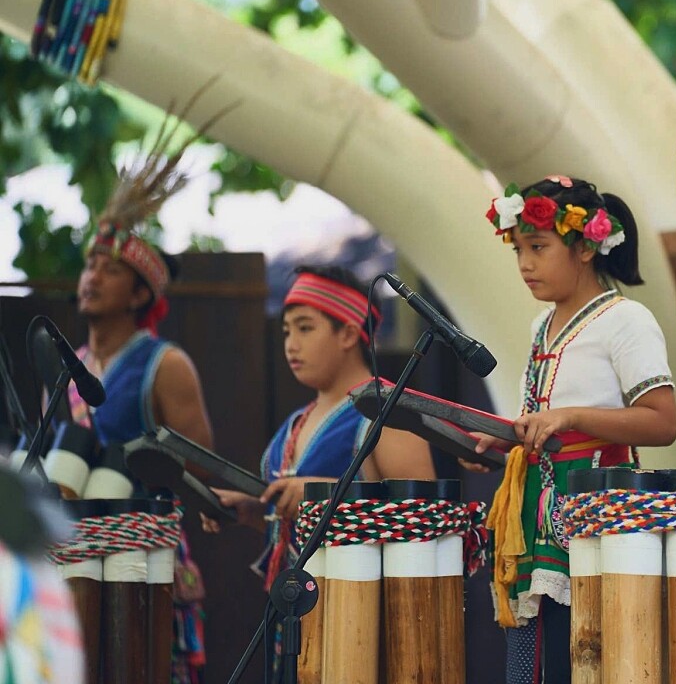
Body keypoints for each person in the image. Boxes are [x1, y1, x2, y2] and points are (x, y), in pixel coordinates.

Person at [479, 175, 676, 684]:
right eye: (519, 249)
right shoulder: (540, 326)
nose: (525, 264)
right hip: (536, 509)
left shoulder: (625, 319)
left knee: (589, 651)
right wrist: (501, 440)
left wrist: (571, 417)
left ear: (587, 246)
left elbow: (662, 421)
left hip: (596, 508)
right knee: (536, 653)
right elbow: (543, 417)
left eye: (538, 247)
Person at [71, 147, 213, 684]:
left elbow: (201, 468)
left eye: (110, 270)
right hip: (77, 557)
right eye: (89, 264)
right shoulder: (68, 367)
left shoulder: (165, 364)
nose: (92, 277)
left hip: (145, 558)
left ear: (139, 291)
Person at [204, 266, 435, 587]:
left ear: (348, 334)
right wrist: (253, 510)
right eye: (286, 331)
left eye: (305, 328)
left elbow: (419, 523)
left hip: (359, 612)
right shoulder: (296, 422)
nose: (291, 344)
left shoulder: (389, 413)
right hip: (295, 613)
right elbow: (301, 525)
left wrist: (324, 496)